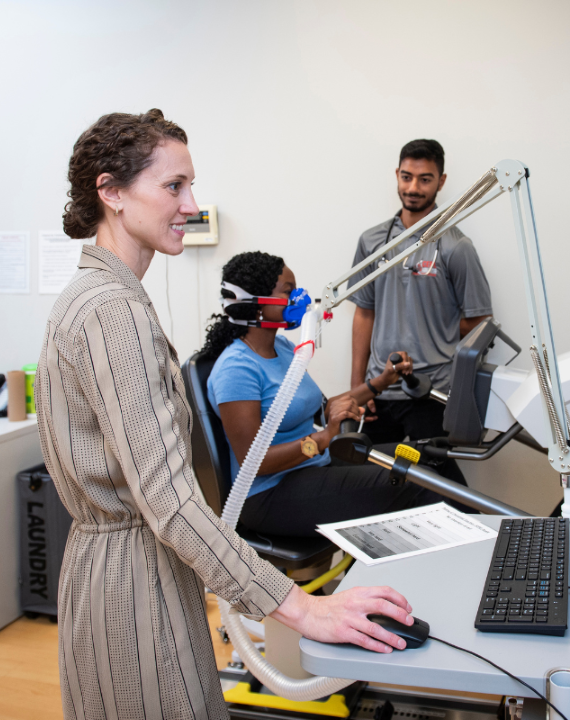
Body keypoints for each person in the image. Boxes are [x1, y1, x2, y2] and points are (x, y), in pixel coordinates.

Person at [36, 110, 417, 720]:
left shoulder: (97, 297)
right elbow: (171, 500)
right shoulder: (114, 311)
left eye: (190, 185)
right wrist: (301, 608)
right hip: (135, 578)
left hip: (121, 565)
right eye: (173, 186)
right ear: (110, 192)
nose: (191, 203)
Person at [202, 250, 466, 536]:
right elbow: (256, 461)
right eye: (288, 292)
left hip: (314, 465)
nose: (300, 298)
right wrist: (324, 438)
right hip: (270, 495)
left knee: (427, 456)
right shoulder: (236, 369)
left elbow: (328, 408)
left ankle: (491, 542)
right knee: (416, 483)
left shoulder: (284, 349)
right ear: (256, 304)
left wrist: (383, 380)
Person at [350, 139, 493, 444]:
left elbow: (481, 320)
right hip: (379, 390)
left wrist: (436, 331)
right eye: (406, 177)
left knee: (430, 485)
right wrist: (358, 389)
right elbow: (364, 313)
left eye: (425, 179)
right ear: (397, 175)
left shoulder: (456, 246)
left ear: (441, 181)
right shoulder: (372, 241)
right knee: (372, 484)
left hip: (433, 392)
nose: (413, 187)